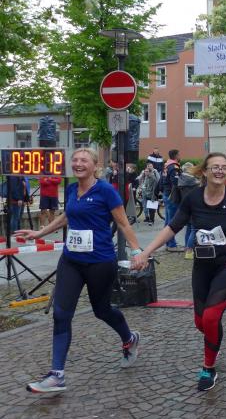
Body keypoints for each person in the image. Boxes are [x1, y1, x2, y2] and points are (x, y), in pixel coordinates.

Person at [132, 153, 226, 391]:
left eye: (223, 167)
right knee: (201, 321)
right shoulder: (194, 198)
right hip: (202, 265)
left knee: (210, 318)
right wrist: (146, 252)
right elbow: (172, 228)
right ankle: (214, 340)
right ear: (204, 171)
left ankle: (208, 368)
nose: (219, 171)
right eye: (214, 167)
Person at [21, 148, 143, 393]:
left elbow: (122, 222)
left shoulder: (106, 191)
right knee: (61, 314)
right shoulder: (71, 190)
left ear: (95, 166)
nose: (78, 164)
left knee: (102, 310)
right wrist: (40, 233)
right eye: (75, 160)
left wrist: (137, 251)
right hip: (71, 261)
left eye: (84, 160)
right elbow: (66, 216)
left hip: (100, 262)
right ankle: (57, 375)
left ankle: (129, 339)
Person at [174, 162, 201, 260]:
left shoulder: (180, 179)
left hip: (185, 206)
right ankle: (189, 251)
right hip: (194, 207)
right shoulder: (194, 182)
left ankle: (187, 248)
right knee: (194, 229)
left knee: (189, 229)